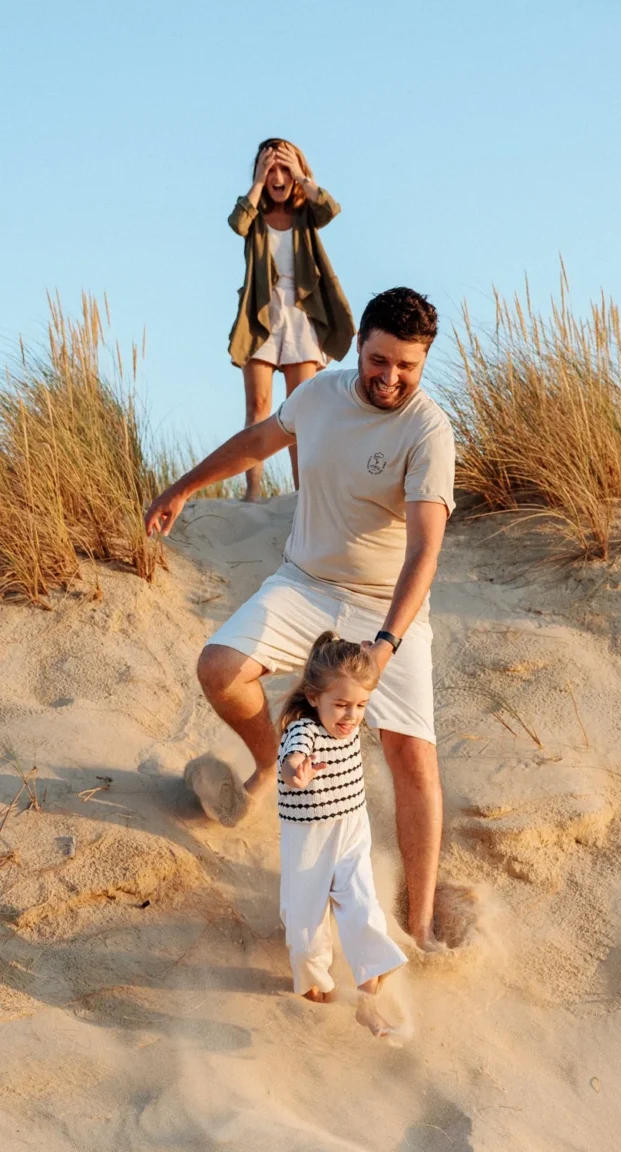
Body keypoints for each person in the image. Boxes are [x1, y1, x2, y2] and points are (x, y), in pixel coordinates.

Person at [145, 287, 456, 952]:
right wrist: (183, 487)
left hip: (386, 604)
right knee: (220, 668)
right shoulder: (319, 395)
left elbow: (426, 549)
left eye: (407, 366)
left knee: (411, 757)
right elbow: (259, 439)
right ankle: (271, 763)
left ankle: (423, 923)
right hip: (304, 583)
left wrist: (386, 644)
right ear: (360, 348)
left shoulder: (428, 430)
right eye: (379, 360)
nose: (390, 377)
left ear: (423, 363)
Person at [277, 630, 407, 1037]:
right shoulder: (306, 730)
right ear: (314, 698)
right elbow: (291, 759)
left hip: (352, 829)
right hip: (309, 839)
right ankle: (315, 980)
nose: (352, 716)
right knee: (305, 920)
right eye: (342, 705)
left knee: (363, 906)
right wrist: (295, 773)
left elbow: (360, 684)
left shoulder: (348, 725)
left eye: (361, 705)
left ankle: (368, 1001)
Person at [227, 137, 355, 497]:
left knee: (301, 410)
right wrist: (256, 182)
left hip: (301, 316)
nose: (278, 176)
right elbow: (237, 223)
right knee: (258, 407)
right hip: (260, 316)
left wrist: (301, 176)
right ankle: (252, 492)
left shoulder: (305, 213)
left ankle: (303, 494)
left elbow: (331, 208)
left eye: (285, 168)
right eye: (271, 169)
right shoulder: (254, 215)